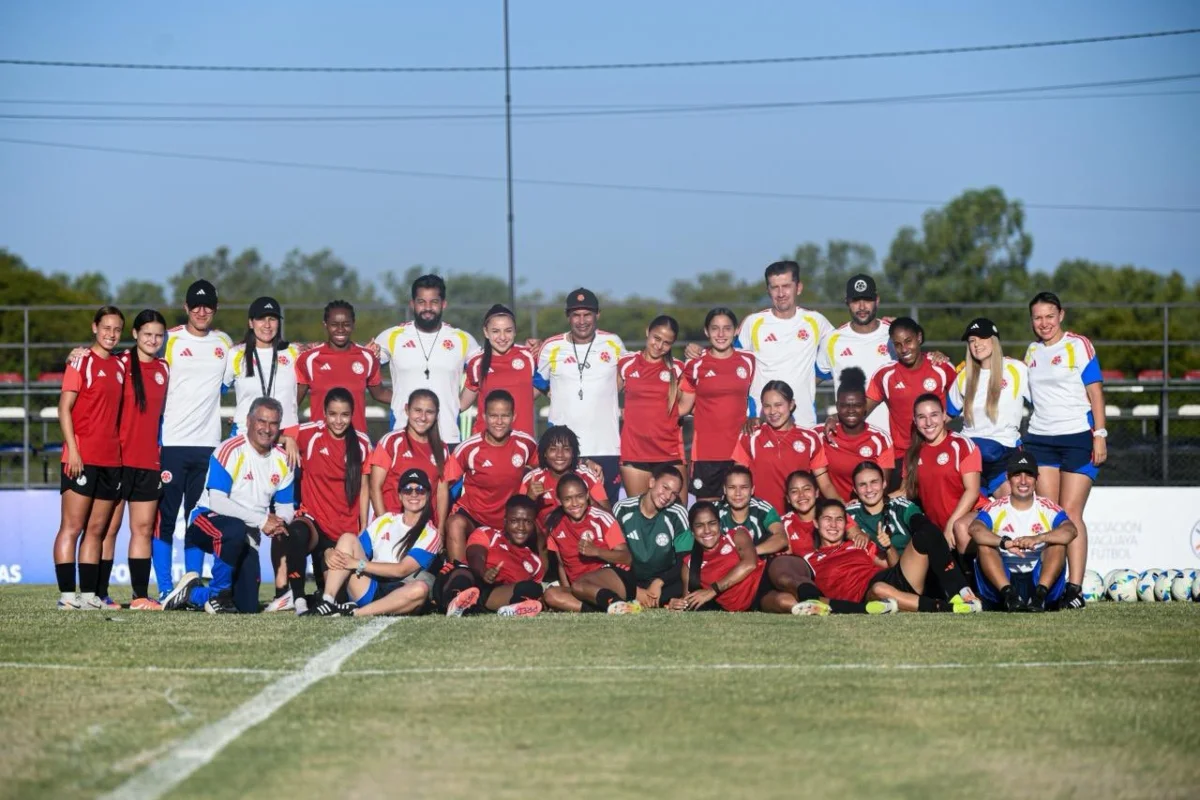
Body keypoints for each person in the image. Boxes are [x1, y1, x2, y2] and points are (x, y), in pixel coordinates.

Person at [161, 397, 296, 614]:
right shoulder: (230, 450)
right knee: (234, 528)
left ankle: (194, 594)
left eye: (273, 423)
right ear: (249, 421)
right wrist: (262, 520)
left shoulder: (283, 461)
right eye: (261, 421)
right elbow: (218, 502)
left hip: (246, 535)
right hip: (205, 522)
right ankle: (220, 594)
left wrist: (281, 522)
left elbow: (285, 506)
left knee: (248, 606)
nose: (267, 429)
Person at [1022, 291, 1107, 610]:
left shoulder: (1078, 344)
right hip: (1041, 439)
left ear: (1061, 315)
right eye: (1037, 317)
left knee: (1071, 514)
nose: (1043, 323)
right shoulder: (1031, 351)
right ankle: (1049, 589)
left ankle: (1075, 588)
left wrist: (1099, 434)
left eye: (1049, 316)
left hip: (1077, 438)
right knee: (1050, 514)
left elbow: (1096, 393)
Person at [153, 279, 233, 600]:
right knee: (167, 519)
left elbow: (228, 384)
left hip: (208, 446)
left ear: (215, 308)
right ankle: (163, 588)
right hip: (171, 443)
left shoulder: (224, 343)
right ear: (186, 307)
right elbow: (136, 361)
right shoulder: (168, 340)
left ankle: (190, 587)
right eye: (195, 305)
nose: (202, 311)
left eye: (208, 305)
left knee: (197, 519)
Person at [685, 261, 832, 426]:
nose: (781, 293)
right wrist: (700, 351)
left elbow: (840, 351)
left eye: (786, 286)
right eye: (774, 287)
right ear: (768, 290)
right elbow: (726, 357)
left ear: (798, 287)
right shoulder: (753, 323)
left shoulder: (816, 322)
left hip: (804, 423)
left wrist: (810, 381)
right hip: (760, 424)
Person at [267, 388, 372, 614]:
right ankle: (297, 599)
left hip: (343, 532)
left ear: (352, 415)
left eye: (344, 415)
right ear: (324, 413)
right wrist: (288, 440)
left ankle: (316, 594)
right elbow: (269, 432)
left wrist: (364, 526)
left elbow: (365, 488)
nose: (338, 420)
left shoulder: (362, 443)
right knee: (295, 532)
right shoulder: (310, 433)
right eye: (332, 414)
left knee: (335, 598)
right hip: (313, 521)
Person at [52, 306, 126, 610]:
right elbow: (63, 408)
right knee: (72, 527)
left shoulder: (121, 366)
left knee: (97, 530)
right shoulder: (80, 362)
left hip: (111, 460)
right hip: (80, 458)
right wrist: (74, 450)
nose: (111, 334)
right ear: (95, 327)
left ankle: (89, 595)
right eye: (106, 327)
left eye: (117, 329)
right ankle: (67, 596)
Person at [804, 498, 981, 614]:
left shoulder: (858, 545)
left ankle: (962, 593)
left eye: (839, 519)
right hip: (867, 596)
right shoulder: (809, 560)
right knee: (880, 588)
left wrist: (888, 547)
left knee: (927, 533)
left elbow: (893, 566)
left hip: (891, 579)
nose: (833, 524)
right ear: (816, 523)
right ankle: (949, 609)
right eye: (827, 519)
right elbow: (806, 591)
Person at [102, 309, 170, 610]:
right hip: (117, 462)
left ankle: (140, 595)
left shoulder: (164, 369)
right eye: (147, 334)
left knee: (142, 530)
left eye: (158, 335)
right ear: (135, 335)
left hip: (148, 462)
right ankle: (99, 594)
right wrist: (74, 354)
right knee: (109, 529)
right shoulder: (118, 364)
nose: (153, 340)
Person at [534, 288, 625, 504]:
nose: (582, 321)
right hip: (562, 449)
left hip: (606, 446)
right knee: (562, 511)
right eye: (576, 315)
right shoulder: (551, 346)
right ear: (568, 316)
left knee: (605, 514)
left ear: (597, 315)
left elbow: (627, 378)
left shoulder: (613, 343)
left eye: (587, 315)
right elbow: (535, 385)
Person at [312, 468, 441, 617]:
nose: (414, 494)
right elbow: (351, 550)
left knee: (420, 589)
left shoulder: (431, 533)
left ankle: (355, 613)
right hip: (370, 586)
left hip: (400, 590)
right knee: (348, 538)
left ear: (427, 495)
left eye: (420, 490)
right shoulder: (385, 520)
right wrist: (330, 552)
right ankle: (327, 601)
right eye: (407, 489)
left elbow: (402, 570)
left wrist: (359, 564)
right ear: (400, 495)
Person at [373, 273, 481, 446]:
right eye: (421, 302)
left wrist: (457, 405)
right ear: (412, 304)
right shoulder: (391, 336)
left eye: (434, 302)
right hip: (402, 437)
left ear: (443, 304)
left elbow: (481, 372)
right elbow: (362, 366)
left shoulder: (462, 339)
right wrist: (387, 396)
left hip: (447, 437)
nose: (427, 307)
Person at [668, 501, 826, 615]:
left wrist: (713, 590)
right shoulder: (690, 564)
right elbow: (689, 599)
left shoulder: (736, 534)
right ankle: (829, 607)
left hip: (766, 574)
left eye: (712, 523)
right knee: (786, 603)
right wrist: (678, 603)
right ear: (692, 531)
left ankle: (813, 598)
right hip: (754, 600)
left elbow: (750, 564)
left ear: (719, 524)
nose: (707, 530)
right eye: (699, 525)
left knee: (785, 579)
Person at [968, 452, 1078, 612]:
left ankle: (1039, 597)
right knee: (984, 545)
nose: (1023, 481)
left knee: (1058, 543)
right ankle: (1010, 597)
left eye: (1029, 475)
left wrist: (1038, 538)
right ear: (1008, 478)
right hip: (1003, 580)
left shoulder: (1047, 507)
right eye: (1017, 475)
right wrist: (1004, 542)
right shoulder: (996, 507)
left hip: (1038, 579)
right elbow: (974, 529)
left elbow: (1071, 530)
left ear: (1037, 479)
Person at [441, 390, 538, 565]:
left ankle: (544, 575)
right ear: (484, 416)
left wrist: (586, 465)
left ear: (513, 416)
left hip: (510, 521)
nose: (499, 422)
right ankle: (459, 577)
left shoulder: (526, 444)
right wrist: (439, 527)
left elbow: (549, 468)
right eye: (493, 416)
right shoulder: (468, 448)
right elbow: (443, 485)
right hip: (474, 517)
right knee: (455, 523)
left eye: (505, 416)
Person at [861, 317, 956, 480]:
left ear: (919, 337)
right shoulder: (885, 375)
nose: (904, 349)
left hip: (939, 451)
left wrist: (946, 418)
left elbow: (965, 398)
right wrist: (835, 418)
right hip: (902, 456)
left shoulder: (941, 367)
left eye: (908, 341)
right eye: (897, 344)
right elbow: (861, 410)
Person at [947, 318, 1030, 499]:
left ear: (994, 340)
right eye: (971, 341)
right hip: (971, 458)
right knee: (969, 523)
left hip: (1005, 455)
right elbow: (945, 416)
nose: (976, 344)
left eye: (981, 338)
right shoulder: (964, 377)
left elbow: (1043, 402)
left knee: (1015, 514)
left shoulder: (1017, 370)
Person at [678, 307, 755, 501]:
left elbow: (761, 397)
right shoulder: (694, 365)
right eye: (715, 328)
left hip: (741, 452)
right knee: (706, 516)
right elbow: (683, 408)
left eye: (727, 328)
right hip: (706, 454)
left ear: (736, 330)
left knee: (740, 516)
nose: (721, 334)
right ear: (706, 331)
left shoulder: (749, 361)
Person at [541, 474, 642, 614]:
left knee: (580, 584)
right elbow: (561, 564)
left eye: (579, 496)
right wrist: (567, 590)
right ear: (558, 501)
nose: (575, 503)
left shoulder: (601, 518)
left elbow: (627, 558)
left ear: (588, 494)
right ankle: (606, 608)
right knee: (550, 595)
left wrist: (597, 551)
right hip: (580, 588)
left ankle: (616, 602)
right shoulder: (554, 526)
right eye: (567, 499)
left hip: (615, 578)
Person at [732, 380, 833, 517]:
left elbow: (825, 485)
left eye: (778, 405)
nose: (773, 411)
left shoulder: (810, 438)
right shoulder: (749, 437)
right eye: (767, 406)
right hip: (762, 520)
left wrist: (844, 509)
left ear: (791, 405)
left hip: (799, 520)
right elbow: (738, 481)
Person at [438, 495, 547, 617]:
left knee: (533, 588)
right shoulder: (488, 533)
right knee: (462, 571)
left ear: (534, 525)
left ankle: (509, 610)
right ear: (505, 521)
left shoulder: (534, 562)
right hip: (472, 580)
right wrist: (483, 571)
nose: (521, 527)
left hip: (493, 595)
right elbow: (474, 554)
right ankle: (455, 603)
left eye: (527, 522)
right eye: (514, 521)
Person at [224, 296, 301, 461]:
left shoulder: (294, 352)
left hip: (287, 441)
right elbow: (212, 392)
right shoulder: (236, 354)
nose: (267, 325)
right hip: (246, 438)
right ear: (251, 323)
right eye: (261, 319)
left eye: (272, 319)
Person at [903, 394, 982, 553]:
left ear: (944, 415)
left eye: (934, 415)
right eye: (922, 417)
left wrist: (951, 524)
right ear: (915, 420)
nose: (929, 422)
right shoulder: (913, 454)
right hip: (938, 526)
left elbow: (972, 491)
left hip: (968, 518)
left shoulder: (962, 445)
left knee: (960, 529)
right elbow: (906, 491)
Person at [617, 315, 685, 497]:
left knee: (677, 518)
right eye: (656, 338)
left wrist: (663, 416)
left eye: (667, 342)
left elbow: (687, 406)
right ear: (647, 332)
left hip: (669, 452)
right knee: (639, 516)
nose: (659, 345)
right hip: (635, 452)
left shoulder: (677, 369)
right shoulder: (626, 363)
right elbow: (606, 397)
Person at [817, 274, 893, 434]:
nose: (862, 306)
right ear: (847, 302)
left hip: (893, 438)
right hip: (850, 439)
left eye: (867, 299)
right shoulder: (832, 340)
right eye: (856, 301)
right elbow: (808, 381)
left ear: (877, 300)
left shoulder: (894, 334)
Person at [296, 300, 387, 432]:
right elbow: (293, 404)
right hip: (319, 444)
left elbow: (380, 393)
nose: (340, 329)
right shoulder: (309, 359)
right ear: (325, 325)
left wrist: (409, 396)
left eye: (346, 324)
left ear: (353, 325)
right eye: (334, 324)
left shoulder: (367, 357)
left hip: (356, 442)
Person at [612, 464, 691, 609]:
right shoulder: (622, 509)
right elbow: (615, 554)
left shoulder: (678, 514)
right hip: (632, 580)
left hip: (666, 581)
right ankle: (649, 599)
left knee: (690, 582)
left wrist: (659, 582)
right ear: (651, 482)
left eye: (674, 493)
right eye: (665, 488)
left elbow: (685, 560)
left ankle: (661, 600)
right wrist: (636, 589)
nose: (668, 497)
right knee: (609, 580)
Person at [368, 389, 450, 521]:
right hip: (391, 523)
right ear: (407, 410)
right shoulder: (391, 442)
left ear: (437, 414)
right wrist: (384, 525)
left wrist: (440, 531)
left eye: (429, 412)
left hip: (426, 528)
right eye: (417, 410)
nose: (423, 417)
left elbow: (442, 493)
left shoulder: (442, 449)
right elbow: (375, 487)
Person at [461, 303, 536, 437]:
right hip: (484, 443)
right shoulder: (477, 363)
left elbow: (539, 389)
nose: (502, 337)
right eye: (495, 331)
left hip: (523, 443)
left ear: (515, 331)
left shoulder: (530, 356)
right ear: (486, 332)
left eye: (508, 330)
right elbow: (461, 404)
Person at [821, 367, 893, 501]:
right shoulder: (821, 435)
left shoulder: (881, 440)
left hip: (866, 509)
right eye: (845, 405)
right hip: (831, 512)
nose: (851, 410)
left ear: (865, 406)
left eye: (857, 405)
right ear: (837, 407)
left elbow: (883, 487)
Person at [520, 424, 609, 532]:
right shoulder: (532, 478)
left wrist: (588, 499)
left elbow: (608, 516)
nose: (560, 455)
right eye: (553, 449)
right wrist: (530, 499)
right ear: (544, 453)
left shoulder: (588, 476)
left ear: (573, 453)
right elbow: (518, 519)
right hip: (544, 544)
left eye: (566, 449)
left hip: (585, 541)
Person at [845, 461, 920, 555]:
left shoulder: (902, 507)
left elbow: (925, 530)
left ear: (884, 483)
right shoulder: (848, 513)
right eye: (862, 485)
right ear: (855, 490)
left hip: (908, 567)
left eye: (874, 482)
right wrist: (858, 534)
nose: (869, 489)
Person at [714, 465, 787, 556]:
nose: (738, 493)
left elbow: (781, 538)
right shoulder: (714, 510)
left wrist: (747, 554)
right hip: (722, 563)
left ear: (752, 490)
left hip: (758, 562)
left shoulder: (762, 509)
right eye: (732, 487)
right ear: (724, 490)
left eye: (744, 487)